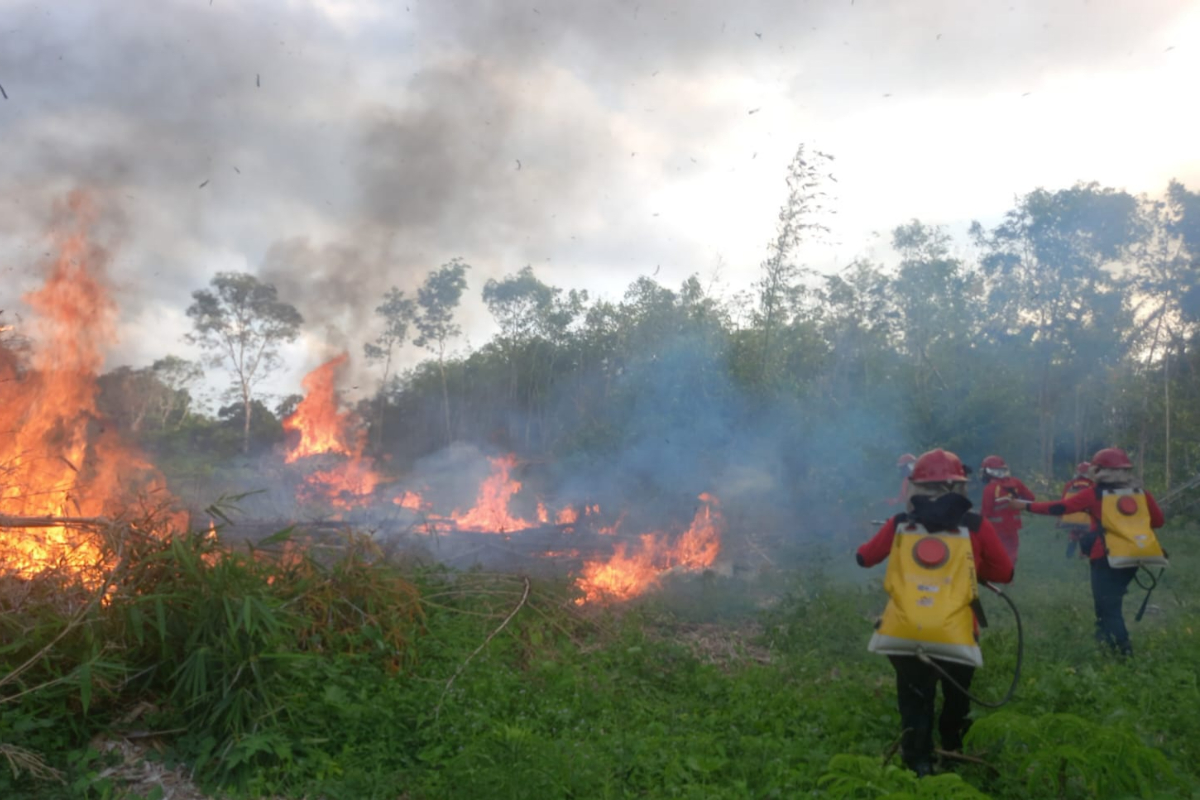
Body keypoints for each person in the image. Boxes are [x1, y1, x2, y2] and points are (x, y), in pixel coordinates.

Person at [858, 449, 1014, 776]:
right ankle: (952, 748)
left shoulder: (901, 522)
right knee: (957, 695)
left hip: (905, 630)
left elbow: (865, 557)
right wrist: (973, 567)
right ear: (958, 485)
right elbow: (1005, 572)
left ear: (915, 484)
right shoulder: (975, 524)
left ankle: (919, 762)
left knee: (915, 697)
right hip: (957, 631)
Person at [1006, 447, 1165, 656]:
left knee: (1109, 604)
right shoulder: (1142, 493)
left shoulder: (1094, 494)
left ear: (1098, 470)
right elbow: (1158, 521)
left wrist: (1024, 506)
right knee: (1108, 600)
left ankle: (1123, 651)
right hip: (1136, 556)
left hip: (1105, 556)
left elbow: (1060, 508)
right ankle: (1104, 638)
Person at [979, 455, 1035, 563]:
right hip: (1013, 526)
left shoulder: (989, 489)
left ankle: (998, 573)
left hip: (996, 529)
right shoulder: (1016, 483)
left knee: (996, 552)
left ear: (988, 472)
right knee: (1012, 551)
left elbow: (986, 513)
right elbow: (1031, 498)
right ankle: (1010, 575)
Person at [1058, 462, 1094, 559]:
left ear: (1078, 472)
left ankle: (1069, 554)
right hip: (1086, 517)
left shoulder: (1070, 484)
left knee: (1074, 532)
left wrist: (1060, 516)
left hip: (1071, 516)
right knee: (1085, 534)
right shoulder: (1092, 485)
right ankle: (1083, 554)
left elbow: (1062, 501)